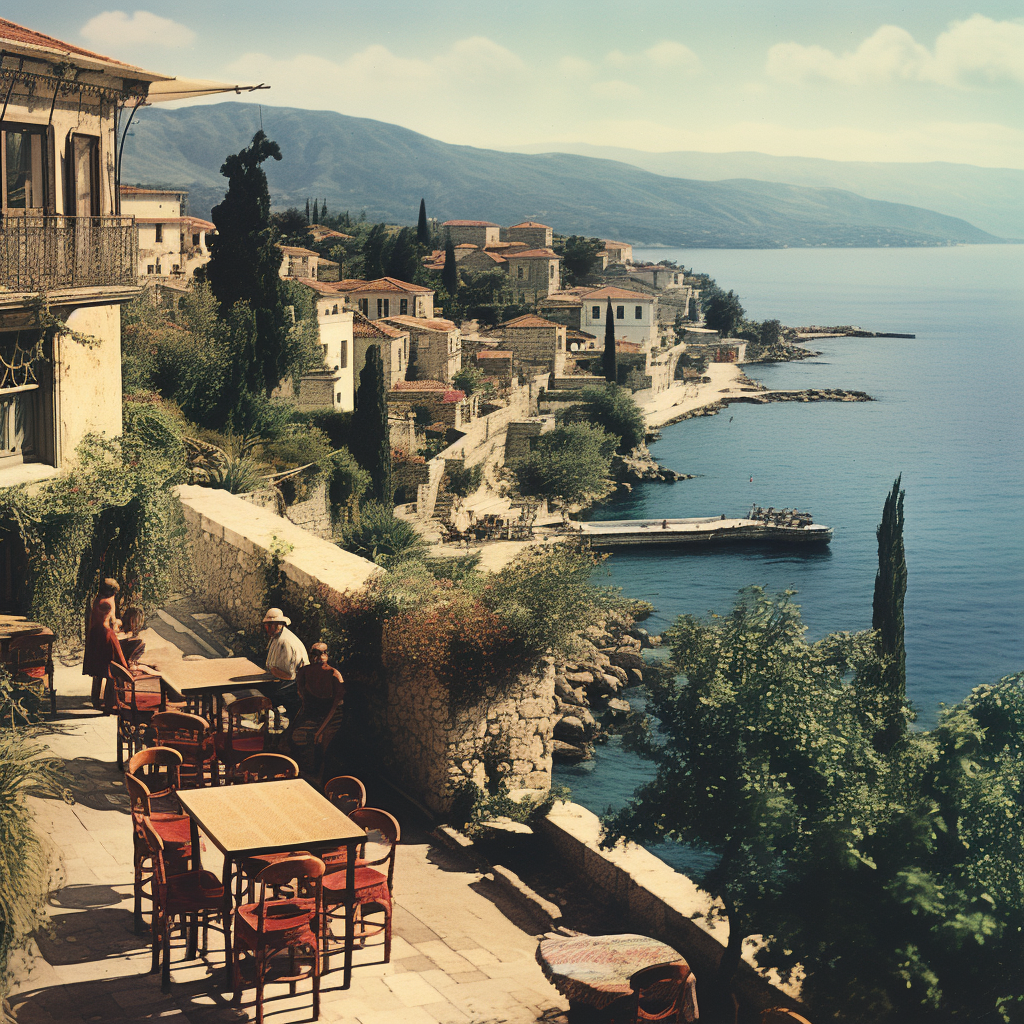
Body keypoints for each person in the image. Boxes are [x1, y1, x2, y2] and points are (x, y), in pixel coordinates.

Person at [279, 642, 345, 779]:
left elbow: (334, 707)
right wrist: (303, 717)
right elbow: (303, 696)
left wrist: (320, 730)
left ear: (327, 655)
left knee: (321, 742)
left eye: (321, 654)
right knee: (290, 738)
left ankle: (318, 778)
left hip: (331, 715)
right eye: (314, 654)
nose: (318, 658)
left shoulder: (334, 675)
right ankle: (301, 771)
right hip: (313, 712)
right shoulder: (304, 672)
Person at [84, 578, 128, 712]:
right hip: (105, 635)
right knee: (111, 669)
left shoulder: (97, 600)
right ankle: (110, 703)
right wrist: (120, 623)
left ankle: (95, 700)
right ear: (112, 592)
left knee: (98, 670)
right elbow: (113, 622)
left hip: (95, 635)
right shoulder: (108, 603)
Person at [262, 608, 308, 719]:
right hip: (284, 681)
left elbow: (290, 675)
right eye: (266, 624)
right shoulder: (276, 637)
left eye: (270, 624)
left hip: (293, 685)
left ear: (279, 624)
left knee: (259, 695)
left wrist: (273, 670)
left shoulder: (286, 641)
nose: (267, 628)